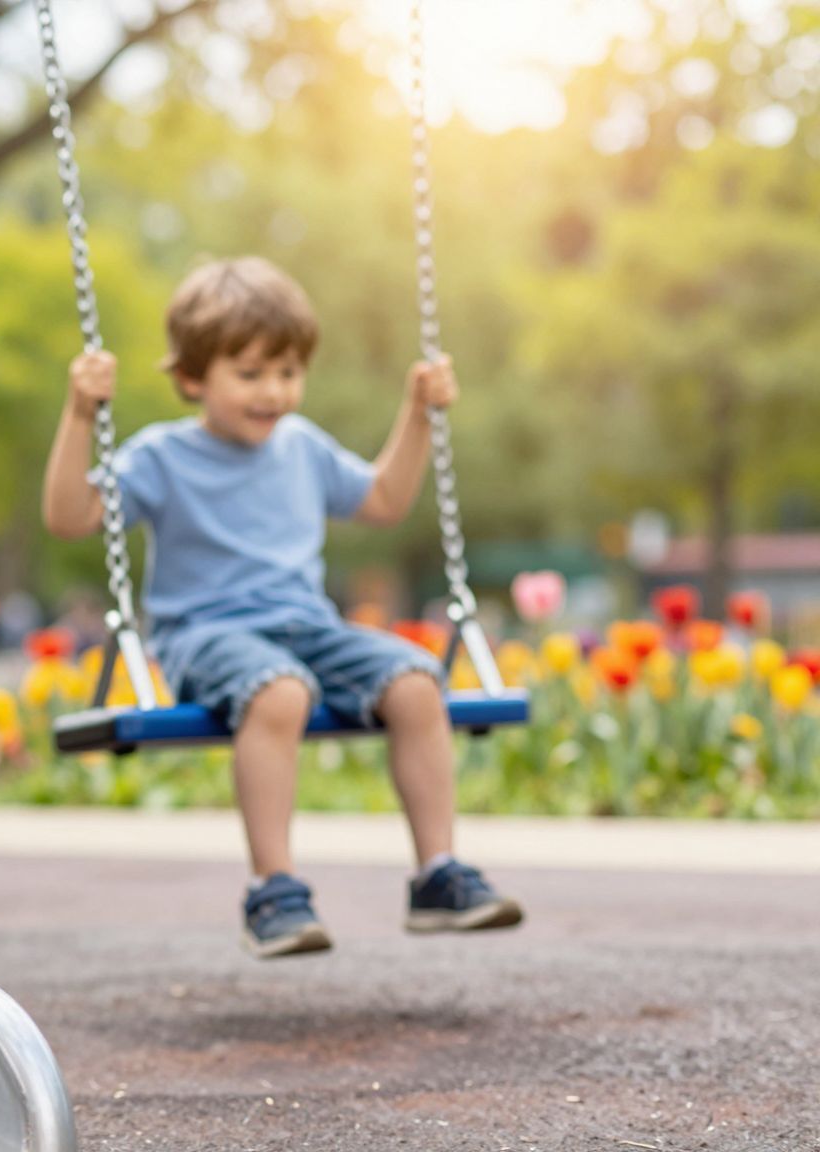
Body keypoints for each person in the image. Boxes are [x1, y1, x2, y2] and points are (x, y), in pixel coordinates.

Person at [41, 256, 522, 958]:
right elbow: (68, 516)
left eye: (289, 372)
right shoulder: (161, 458)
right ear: (191, 378)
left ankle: (437, 877)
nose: (275, 391)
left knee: (418, 683)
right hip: (206, 636)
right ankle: (274, 890)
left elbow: (384, 500)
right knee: (281, 694)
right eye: (251, 373)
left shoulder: (302, 447)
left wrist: (418, 414)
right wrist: (81, 413)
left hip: (306, 628)